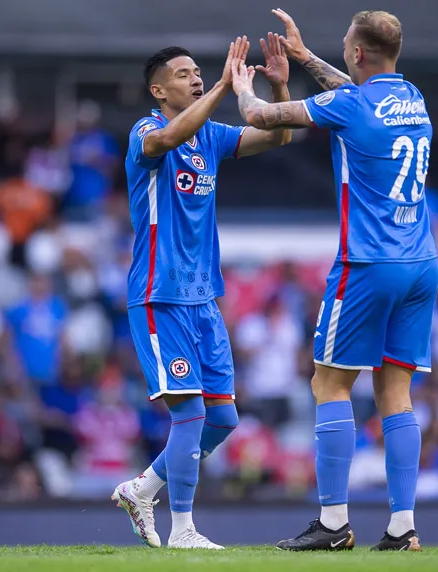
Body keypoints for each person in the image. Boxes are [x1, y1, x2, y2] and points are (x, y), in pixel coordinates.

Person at [230, 10, 437, 551]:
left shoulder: (350, 104)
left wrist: (240, 84)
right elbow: (353, 96)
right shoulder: (412, 98)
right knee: (395, 391)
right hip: (421, 262)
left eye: (345, 43)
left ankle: (333, 522)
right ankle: (402, 528)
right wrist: (301, 60)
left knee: (329, 383)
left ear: (358, 53)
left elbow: (261, 115)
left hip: (368, 263)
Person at [112, 36, 292, 550]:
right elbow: (168, 139)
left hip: (202, 298)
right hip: (158, 294)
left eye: (200, 71)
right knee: (188, 413)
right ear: (158, 88)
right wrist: (220, 88)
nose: (195, 77)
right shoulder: (146, 131)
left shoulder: (209, 136)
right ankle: (184, 530)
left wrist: (278, 83)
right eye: (185, 73)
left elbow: (277, 138)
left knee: (223, 418)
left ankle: (142, 488)